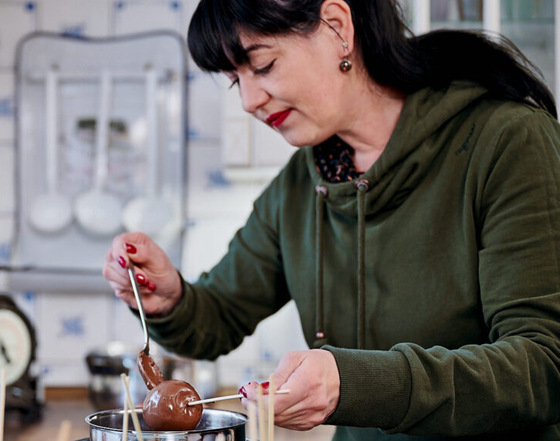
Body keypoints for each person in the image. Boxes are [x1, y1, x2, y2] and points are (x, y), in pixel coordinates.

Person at [102, 0, 560, 439]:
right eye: (234, 79)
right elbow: (218, 315)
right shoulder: (303, 185)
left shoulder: (506, 141)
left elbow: (542, 366)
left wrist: (355, 383)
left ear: (338, 28)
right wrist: (168, 298)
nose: (248, 99)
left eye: (262, 66)